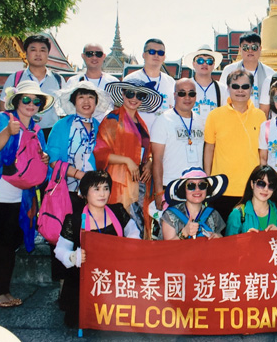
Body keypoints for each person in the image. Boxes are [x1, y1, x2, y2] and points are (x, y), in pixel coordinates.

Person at [0, 81, 53, 308]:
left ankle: (4, 290)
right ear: (16, 101)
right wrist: (8, 132)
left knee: (9, 244)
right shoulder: (1, 120)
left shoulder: (37, 130)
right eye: (26, 99)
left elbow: (38, 159)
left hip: (19, 196)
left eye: (36, 101)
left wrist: (44, 158)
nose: (31, 104)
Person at [54, 171, 140, 327]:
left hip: (116, 276)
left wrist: (129, 246)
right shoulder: (74, 220)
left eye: (106, 188)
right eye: (96, 189)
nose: (102, 194)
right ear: (85, 193)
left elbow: (133, 232)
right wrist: (73, 257)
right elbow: (60, 250)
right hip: (85, 280)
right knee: (78, 319)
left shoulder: (118, 211)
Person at [95, 79, 163, 238]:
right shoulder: (112, 119)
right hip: (119, 181)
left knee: (139, 223)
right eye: (130, 94)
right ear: (123, 94)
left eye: (140, 95)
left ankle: (138, 253)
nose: (134, 98)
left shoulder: (141, 122)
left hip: (140, 181)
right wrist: (127, 161)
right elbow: (100, 152)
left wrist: (149, 163)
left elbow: (147, 151)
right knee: (124, 223)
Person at [204, 69, 266, 221]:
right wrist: (207, 180)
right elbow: (209, 149)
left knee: (248, 233)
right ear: (228, 88)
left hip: (250, 189)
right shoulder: (215, 115)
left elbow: (262, 152)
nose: (240, 90)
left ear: (252, 89)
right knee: (219, 234)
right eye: (235, 86)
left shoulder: (260, 116)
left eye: (245, 86)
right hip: (221, 189)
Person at [47, 81, 113, 207]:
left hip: (94, 192)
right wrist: (81, 176)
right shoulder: (61, 126)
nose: (86, 101)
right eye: (81, 97)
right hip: (66, 190)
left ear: (96, 102)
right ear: (74, 101)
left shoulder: (100, 127)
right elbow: (53, 161)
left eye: (90, 97)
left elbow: (104, 158)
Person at [151, 78, 205, 209]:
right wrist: (158, 191)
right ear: (174, 95)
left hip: (196, 188)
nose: (187, 97)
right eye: (182, 93)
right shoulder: (163, 120)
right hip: (171, 186)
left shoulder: (200, 120)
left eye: (191, 93)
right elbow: (157, 159)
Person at [0, 35, 64, 138]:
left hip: (51, 133)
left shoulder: (58, 80)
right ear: (26, 53)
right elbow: (3, 108)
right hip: (20, 132)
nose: (38, 54)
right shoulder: (15, 78)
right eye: (33, 50)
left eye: (42, 50)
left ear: (48, 54)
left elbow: (65, 109)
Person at [161, 167, 227, 240]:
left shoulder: (213, 214)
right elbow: (167, 246)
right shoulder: (170, 215)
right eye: (191, 185)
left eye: (202, 185)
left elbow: (222, 240)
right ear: (183, 189)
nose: (197, 189)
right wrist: (184, 233)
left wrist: (218, 237)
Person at [123, 38, 175, 129]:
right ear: (144, 55)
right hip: (137, 132)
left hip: (163, 133)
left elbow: (173, 109)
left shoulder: (170, 82)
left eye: (160, 53)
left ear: (164, 57)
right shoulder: (130, 80)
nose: (156, 55)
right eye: (152, 52)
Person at [225, 165, 277, 235]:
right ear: (252, 184)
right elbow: (228, 241)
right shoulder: (237, 214)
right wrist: (245, 239)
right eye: (261, 184)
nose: (266, 189)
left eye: (271, 186)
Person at [65, 43, 119, 122]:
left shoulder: (113, 82)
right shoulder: (73, 81)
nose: (94, 57)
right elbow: (67, 108)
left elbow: (118, 109)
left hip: (106, 126)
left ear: (104, 56)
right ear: (83, 56)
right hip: (78, 126)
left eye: (98, 54)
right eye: (90, 54)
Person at [220, 32, 274, 106]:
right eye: (246, 48)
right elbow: (223, 98)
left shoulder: (270, 73)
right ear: (240, 49)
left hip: (261, 113)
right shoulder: (229, 70)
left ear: (260, 49)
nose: (250, 51)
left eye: (254, 47)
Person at [182, 44, 224, 122]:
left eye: (209, 61)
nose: (204, 64)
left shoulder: (222, 89)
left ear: (213, 65)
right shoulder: (184, 87)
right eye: (200, 61)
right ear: (193, 64)